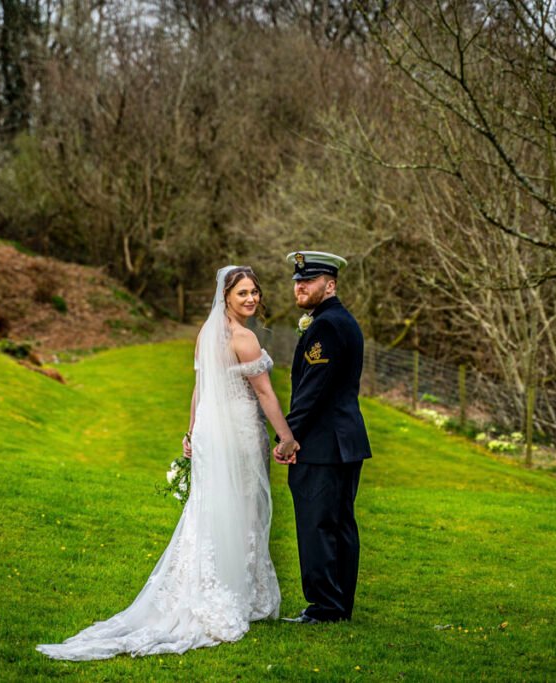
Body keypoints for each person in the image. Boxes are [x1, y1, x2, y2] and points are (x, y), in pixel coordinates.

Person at [37, 265, 299, 660]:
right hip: (238, 433)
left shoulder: (206, 335)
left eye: (254, 292)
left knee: (210, 508)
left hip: (212, 431)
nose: (251, 299)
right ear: (225, 297)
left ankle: (222, 587)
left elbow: (200, 388)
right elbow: (264, 394)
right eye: (243, 293)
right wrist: (287, 436)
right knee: (242, 508)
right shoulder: (243, 339)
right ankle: (230, 595)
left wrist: (192, 432)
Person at [275, 251, 371, 625]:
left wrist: (287, 436)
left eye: (308, 281)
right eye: (297, 280)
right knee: (339, 524)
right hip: (343, 441)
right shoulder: (340, 321)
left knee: (318, 525)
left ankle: (325, 607)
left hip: (322, 444)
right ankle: (338, 605)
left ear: (329, 284)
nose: (300, 286)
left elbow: (311, 392)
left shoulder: (327, 327)